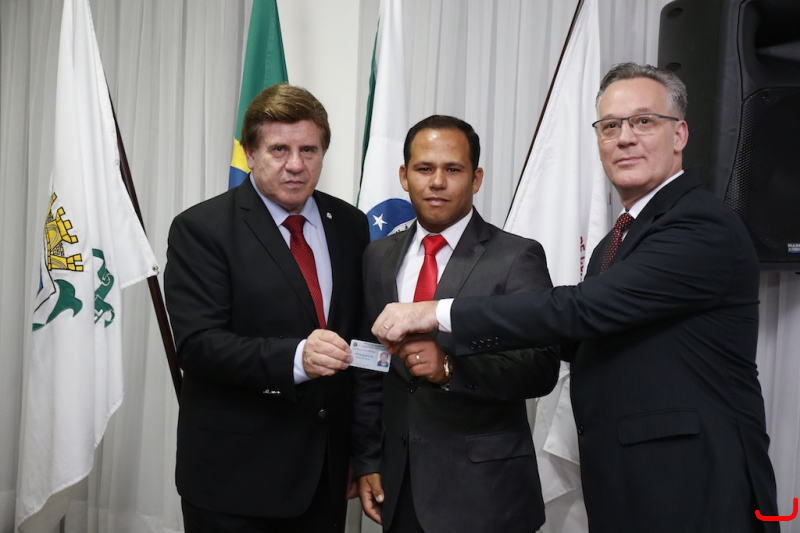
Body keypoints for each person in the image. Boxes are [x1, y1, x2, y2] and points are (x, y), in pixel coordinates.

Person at [370, 65, 779, 532]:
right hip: (631, 486)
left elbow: (583, 309)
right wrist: (451, 353)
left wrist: (437, 312)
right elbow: (578, 337)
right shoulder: (616, 241)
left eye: (644, 121)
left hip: (695, 485)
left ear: (680, 134)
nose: (625, 138)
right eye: (611, 126)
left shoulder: (699, 225)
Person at [164, 83, 369, 532]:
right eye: (279, 149)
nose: (296, 164)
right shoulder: (202, 229)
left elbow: (356, 340)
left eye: (309, 150)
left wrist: (361, 451)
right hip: (236, 482)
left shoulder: (350, 225)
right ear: (250, 153)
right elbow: (198, 346)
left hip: (326, 477)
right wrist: (296, 358)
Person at [353, 115, 559, 532]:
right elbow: (370, 364)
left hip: (485, 494)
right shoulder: (378, 257)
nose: (437, 182)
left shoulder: (516, 257)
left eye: (453, 169)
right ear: (404, 176)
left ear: (476, 178)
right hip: (400, 488)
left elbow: (541, 367)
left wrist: (449, 368)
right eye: (424, 168)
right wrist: (369, 459)